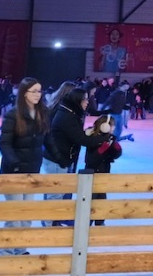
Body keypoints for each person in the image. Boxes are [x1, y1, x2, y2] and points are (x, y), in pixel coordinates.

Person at [0, 77, 49, 256]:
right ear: (24, 93)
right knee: (15, 215)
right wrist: (15, 164)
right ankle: (6, 253)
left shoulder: (42, 113)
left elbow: (46, 139)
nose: (37, 94)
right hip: (13, 172)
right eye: (33, 91)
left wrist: (58, 156)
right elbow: (4, 143)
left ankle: (20, 250)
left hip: (32, 171)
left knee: (26, 214)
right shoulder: (14, 114)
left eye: (39, 91)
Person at [41, 88, 105, 226]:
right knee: (55, 194)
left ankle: (54, 220)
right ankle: (48, 224)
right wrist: (102, 139)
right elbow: (81, 139)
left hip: (62, 158)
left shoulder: (71, 113)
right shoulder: (67, 116)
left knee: (59, 193)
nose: (87, 102)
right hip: (56, 160)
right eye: (85, 99)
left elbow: (78, 135)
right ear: (77, 100)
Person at [84, 114, 123, 226]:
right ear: (105, 126)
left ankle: (100, 222)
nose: (113, 128)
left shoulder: (109, 138)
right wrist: (102, 149)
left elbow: (113, 156)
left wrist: (116, 149)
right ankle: (87, 223)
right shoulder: (93, 139)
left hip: (103, 173)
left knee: (101, 199)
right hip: (92, 174)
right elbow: (90, 160)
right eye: (112, 125)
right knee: (91, 200)